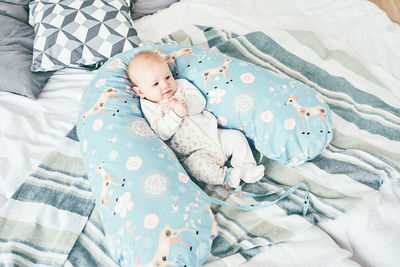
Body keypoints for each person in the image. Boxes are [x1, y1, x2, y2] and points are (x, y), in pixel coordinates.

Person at [127, 51, 264, 188]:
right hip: (193, 154)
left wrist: (185, 104)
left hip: (215, 135)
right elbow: (161, 132)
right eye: (156, 84)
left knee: (236, 137)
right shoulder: (149, 106)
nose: (165, 85)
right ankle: (228, 177)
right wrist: (175, 114)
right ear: (140, 92)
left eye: (167, 77)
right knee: (197, 168)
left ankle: (246, 168)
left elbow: (200, 103)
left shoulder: (181, 86)